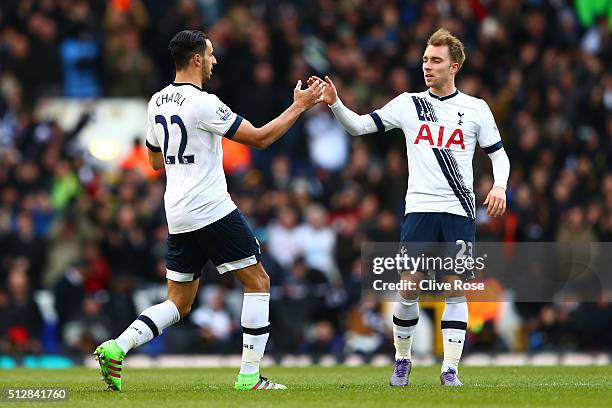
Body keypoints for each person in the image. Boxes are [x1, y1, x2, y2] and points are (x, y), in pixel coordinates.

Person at [94, 29, 324, 392]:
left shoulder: (156, 101)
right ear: (197, 59)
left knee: (179, 302)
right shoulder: (204, 102)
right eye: (212, 55)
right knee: (258, 281)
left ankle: (117, 346)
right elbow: (261, 138)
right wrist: (300, 105)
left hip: (178, 212)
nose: (215, 62)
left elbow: (155, 160)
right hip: (211, 207)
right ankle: (249, 376)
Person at [310, 28, 510, 386]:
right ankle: (402, 359)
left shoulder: (476, 109)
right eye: (425, 60)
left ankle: (450, 368)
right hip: (419, 209)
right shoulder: (408, 104)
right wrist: (336, 103)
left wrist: (499, 186)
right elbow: (358, 127)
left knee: (454, 287)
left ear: (455, 66)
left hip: (459, 211)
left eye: (436, 61)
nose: (428, 67)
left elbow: (500, 156)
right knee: (408, 285)